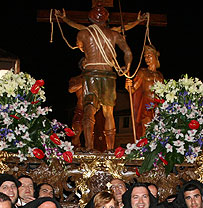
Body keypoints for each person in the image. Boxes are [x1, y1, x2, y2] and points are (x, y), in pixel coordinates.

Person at [55, 6, 145, 150]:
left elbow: (81, 46)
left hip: (91, 74)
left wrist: (65, 19)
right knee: (109, 112)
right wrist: (126, 67)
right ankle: (110, 149)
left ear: (90, 18)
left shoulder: (83, 34)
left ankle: (89, 148)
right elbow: (128, 52)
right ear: (106, 19)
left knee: (89, 109)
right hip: (108, 75)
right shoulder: (114, 35)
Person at [126, 45, 164, 139]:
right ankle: (144, 149)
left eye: (149, 56)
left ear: (155, 56)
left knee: (158, 129)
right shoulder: (142, 72)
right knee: (146, 128)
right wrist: (129, 85)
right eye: (145, 57)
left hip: (157, 106)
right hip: (146, 105)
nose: (147, 59)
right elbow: (133, 89)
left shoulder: (160, 75)